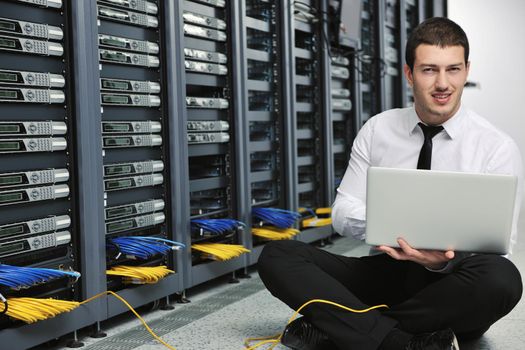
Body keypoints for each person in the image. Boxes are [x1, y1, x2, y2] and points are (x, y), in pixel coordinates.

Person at [258, 17, 524, 350]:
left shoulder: (496, 146)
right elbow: (342, 212)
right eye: (429, 70)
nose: (443, 83)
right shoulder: (378, 130)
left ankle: (347, 328)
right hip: (388, 269)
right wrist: (395, 229)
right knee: (278, 254)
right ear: (409, 73)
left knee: (503, 279)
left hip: (452, 283)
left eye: (453, 69)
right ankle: (401, 341)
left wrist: (439, 260)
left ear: (466, 70)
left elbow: (501, 243)